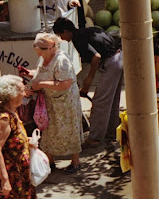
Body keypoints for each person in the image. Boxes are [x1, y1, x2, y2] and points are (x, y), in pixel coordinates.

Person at [52, 18, 122, 149]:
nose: (61, 38)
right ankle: (111, 132)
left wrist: (88, 80)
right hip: (119, 58)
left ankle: (95, 138)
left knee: (100, 102)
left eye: (61, 34)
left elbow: (96, 57)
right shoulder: (90, 30)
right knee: (112, 100)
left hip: (111, 63)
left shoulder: (77, 38)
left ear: (66, 31)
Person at [24, 33, 83, 173]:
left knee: (69, 130)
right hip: (49, 101)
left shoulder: (61, 60)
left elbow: (66, 83)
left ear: (50, 48)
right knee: (49, 130)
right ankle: (50, 162)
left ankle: (75, 162)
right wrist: (30, 73)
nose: (39, 54)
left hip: (65, 102)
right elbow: (43, 73)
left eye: (41, 51)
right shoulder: (44, 58)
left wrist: (41, 84)